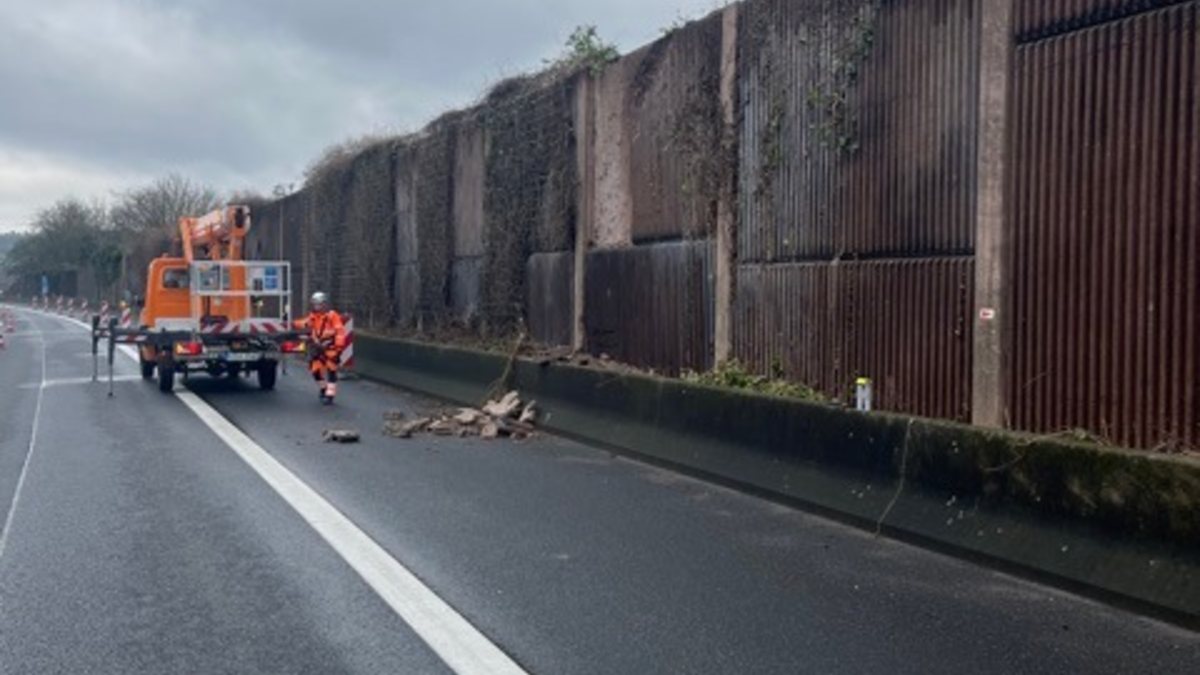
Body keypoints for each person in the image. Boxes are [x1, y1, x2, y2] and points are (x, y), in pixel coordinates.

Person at [295, 291, 347, 404]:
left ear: (324, 304)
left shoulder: (332, 316)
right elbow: (304, 323)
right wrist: (291, 323)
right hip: (318, 347)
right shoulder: (313, 316)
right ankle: (323, 388)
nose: (316, 306)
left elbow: (340, 332)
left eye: (318, 304)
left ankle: (330, 396)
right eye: (314, 304)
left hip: (331, 348)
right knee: (315, 370)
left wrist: (338, 348)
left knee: (331, 371)